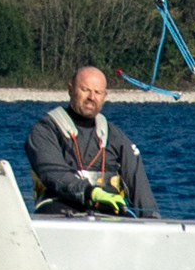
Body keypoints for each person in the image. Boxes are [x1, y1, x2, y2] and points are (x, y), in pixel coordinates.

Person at [25, 64, 158, 218]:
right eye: (85, 90)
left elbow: (138, 183)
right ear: (70, 89)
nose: (91, 97)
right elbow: (53, 173)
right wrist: (91, 192)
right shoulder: (44, 131)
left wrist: (152, 220)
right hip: (59, 209)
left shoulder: (115, 136)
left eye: (97, 92)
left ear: (104, 96)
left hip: (106, 211)